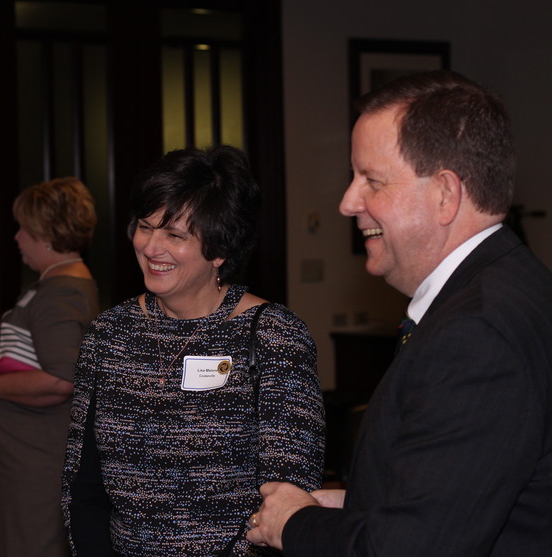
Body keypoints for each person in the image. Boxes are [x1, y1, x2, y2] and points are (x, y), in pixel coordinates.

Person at [246, 70, 552, 556]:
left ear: (446, 194)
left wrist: (293, 523)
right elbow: (465, 497)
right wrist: (362, 505)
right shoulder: (513, 287)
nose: (348, 202)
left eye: (372, 180)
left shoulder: (478, 332)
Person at [62, 145, 325, 555]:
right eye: (145, 227)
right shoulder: (108, 334)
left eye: (174, 235)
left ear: (219, 250)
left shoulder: (272, 336)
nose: (150, 247)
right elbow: (83, 483)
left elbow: (287, 492)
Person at [0, 177, 100, 557]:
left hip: (37, 465)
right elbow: (21, 365)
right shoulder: (55, 285)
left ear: (45, 234)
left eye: (23, 228)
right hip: (25, 461)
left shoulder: (61, 293)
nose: (17, 237)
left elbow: (60, 380)